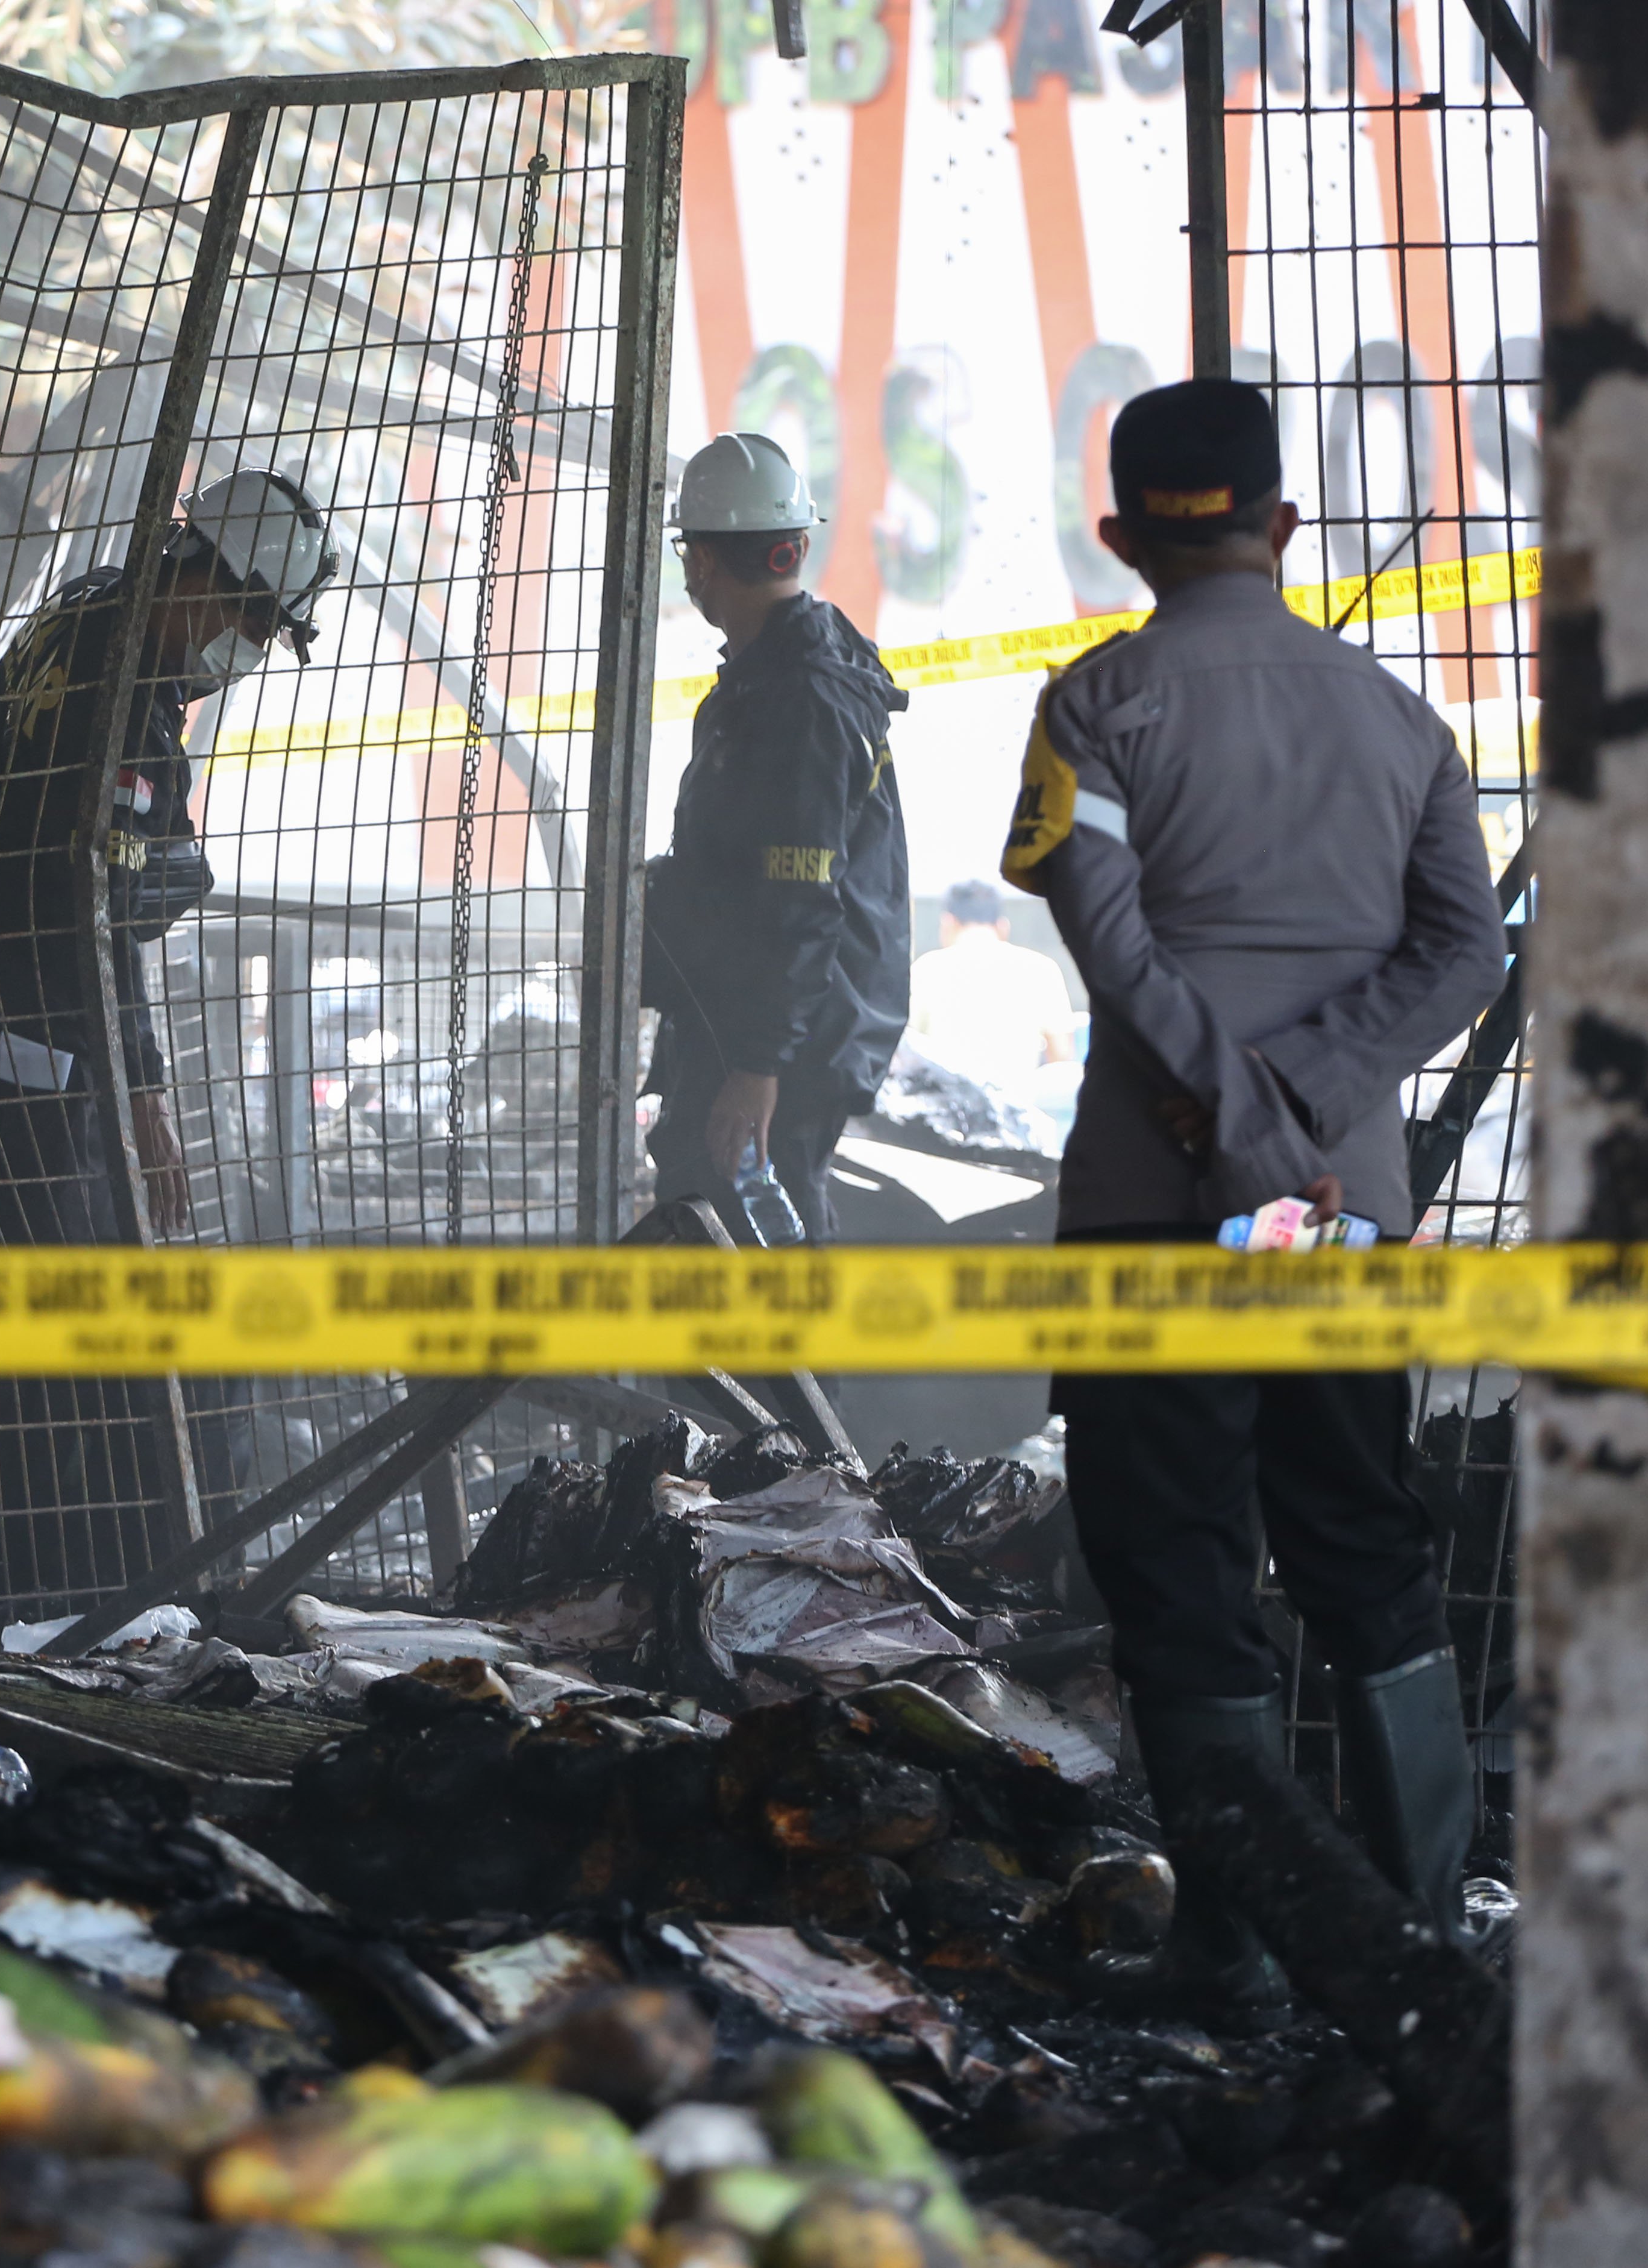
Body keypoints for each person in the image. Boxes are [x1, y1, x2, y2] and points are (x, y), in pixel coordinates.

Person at [1002, 379, 1506, 1993]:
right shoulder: (1400, 720)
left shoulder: (1090, 708)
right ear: (1281, 526)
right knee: (1358, 1537)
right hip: (1327, 1210)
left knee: (1174, 1558)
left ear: (1121, 535)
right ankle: (1418, 1932)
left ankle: (1240, 1947)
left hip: (1157, 1202)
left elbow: (1111, 945)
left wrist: (1227, 1117)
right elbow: (1465, 952)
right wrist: (1309, 1110)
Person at [0, 468, 337, 1582]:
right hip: (24, 1017)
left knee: (35, 1268)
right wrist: (145, 1097)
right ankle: (46, 1569)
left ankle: (41, 1554)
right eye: (251, 617)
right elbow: (97, 926)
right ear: (204, 569)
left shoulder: (91, 607)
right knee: (47, 1290)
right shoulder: (128, 707)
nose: (249, 645)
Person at [641, 432, 910, 1246]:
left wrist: (757, 1068)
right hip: (768, 1029)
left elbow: (800, 898)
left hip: (777, 1047)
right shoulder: (789, 675)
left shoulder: (797, 699)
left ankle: (782, 1384)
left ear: (701, 564)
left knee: (755, 1262)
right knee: (719, 1247)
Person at [907, 876, 1079, 1102]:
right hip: (1016, 1115)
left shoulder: (926, 969)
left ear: (948, 923)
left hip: (945, 1116)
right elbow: (1061, 1059)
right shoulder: (1041, 969)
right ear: (1002, 926)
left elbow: (906, 1053)